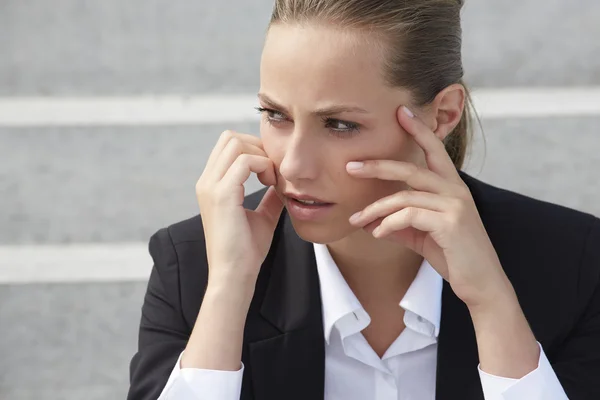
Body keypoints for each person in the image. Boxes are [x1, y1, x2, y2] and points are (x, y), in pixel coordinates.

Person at [127, 0, 600, 399]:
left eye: (339, 125)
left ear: (442, 115)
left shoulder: (574, 264)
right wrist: (229, 287)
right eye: (275, 115)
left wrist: (493, 303)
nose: (293, 166)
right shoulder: (193, 267)